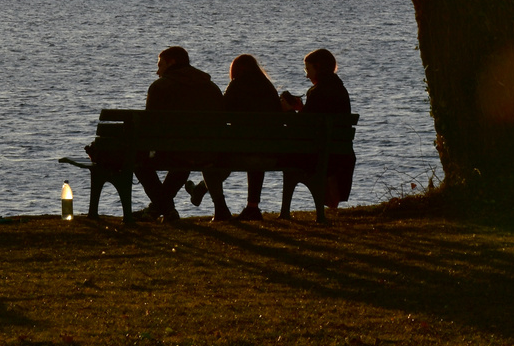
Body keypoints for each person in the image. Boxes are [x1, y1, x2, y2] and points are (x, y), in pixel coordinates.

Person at [132, 46, 231, 221]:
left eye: (160, 65)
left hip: (174, 151)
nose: (157, 71)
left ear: (172, 62)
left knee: (137, 159)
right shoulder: (211, 87)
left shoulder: (160, 87)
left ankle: (162, 208)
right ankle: (161, 209)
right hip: (209, 151)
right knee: (185, 156)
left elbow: (150, 128)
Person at [288, 48, 355, 211]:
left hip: (318, 152)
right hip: (340, 151)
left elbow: (305, 127)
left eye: (308, 69)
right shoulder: (339, 88)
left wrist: (289, 111)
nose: (306, 75)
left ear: (318, 67)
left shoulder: (318, 92)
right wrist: (301, 109)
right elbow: (318, 119)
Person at [219, 53, 282, 219]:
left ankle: (218, 206)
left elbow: (222, 114)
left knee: (217, 160)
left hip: (240, 149)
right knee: (256, 153)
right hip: (271, 150)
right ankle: (253, 206)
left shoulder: (236, 86)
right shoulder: (268, 87)